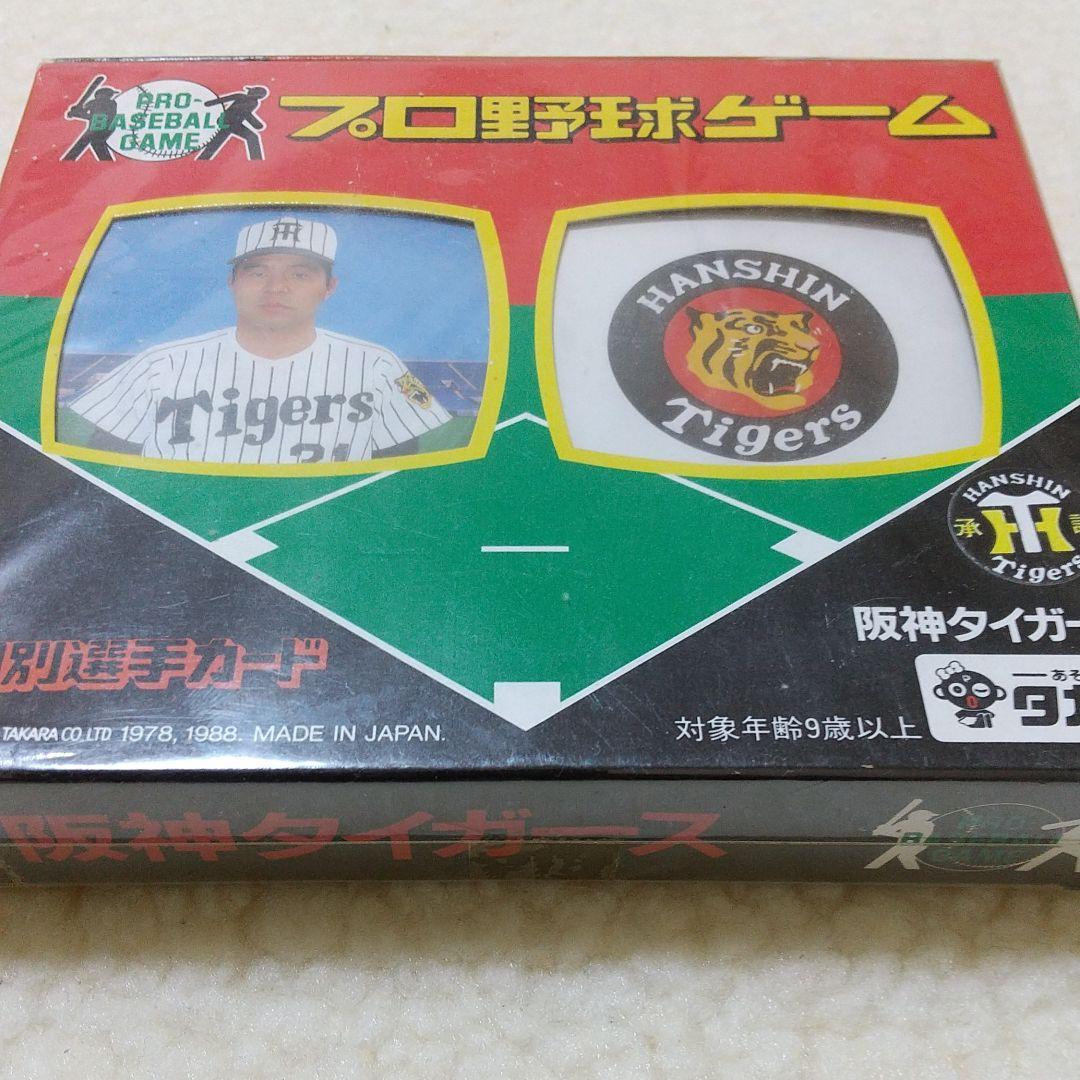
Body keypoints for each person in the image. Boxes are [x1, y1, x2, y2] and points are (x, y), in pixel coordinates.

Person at [62, 214, 451, 466]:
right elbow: (106, 468)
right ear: (232, 282)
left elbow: (400, 473)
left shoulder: (376, 365)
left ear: (329, 287)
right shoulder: (160, 364)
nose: (276, 287)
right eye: (257, 272)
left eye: (300, 274)